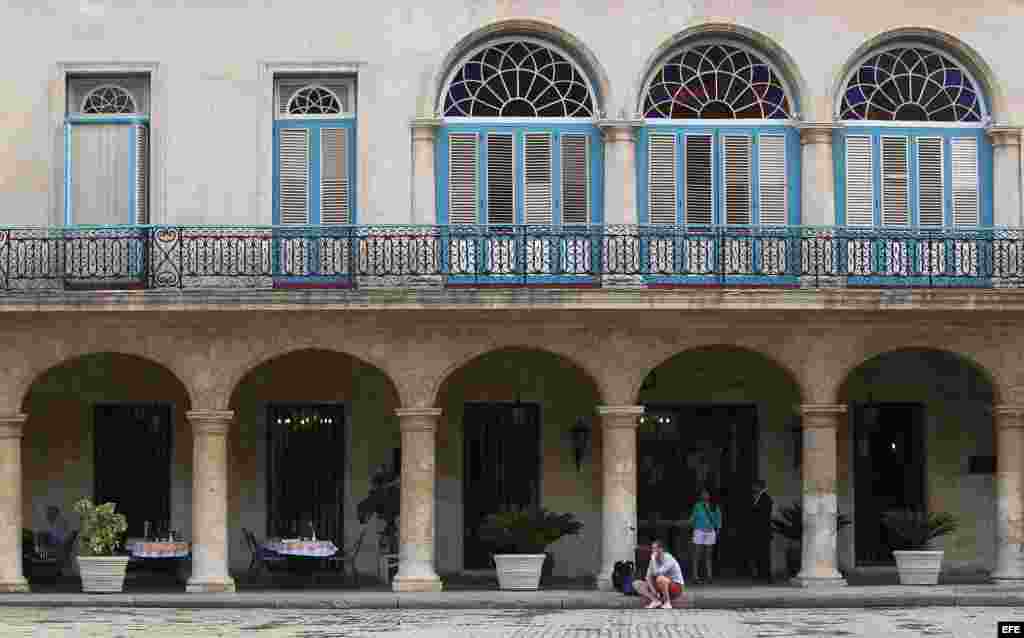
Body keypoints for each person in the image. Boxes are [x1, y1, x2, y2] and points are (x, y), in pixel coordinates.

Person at [632, 539, 685, 609]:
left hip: (676, 588)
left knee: (660, 578)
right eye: (652, 548)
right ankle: (655, 601)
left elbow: (657, 573)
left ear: (661, 549)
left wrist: (653, 559)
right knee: (636, 583)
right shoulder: (653, 560)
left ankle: (667, 603)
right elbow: (648, 577)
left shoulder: (669, 558)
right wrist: (653, 590)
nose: (653, 551)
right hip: (660, 586)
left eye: (655, 548)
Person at [688, 488, 721, 584]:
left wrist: (718, 529)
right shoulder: (697, 506)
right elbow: (693, 517)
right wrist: (688, 523)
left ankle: (709, 576)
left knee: (708, 555)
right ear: (700, 496)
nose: (705, 496)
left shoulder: (714, 506)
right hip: (699, 531)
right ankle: (695, 576)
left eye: (706, 494)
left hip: (710, 532)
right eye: (703, 494)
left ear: (710, 495)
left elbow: (718, 518)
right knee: (697, 554)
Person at [750, 479, 774, 582]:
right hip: (757, 531)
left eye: (755, 486)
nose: (753, 488)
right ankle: (761, 574)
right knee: (758, 553)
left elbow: (764, 515)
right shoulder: (756, 498)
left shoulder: (766, 498)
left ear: (760, 487)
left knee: (765, 554)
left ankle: (768, 576)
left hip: (763, 531)